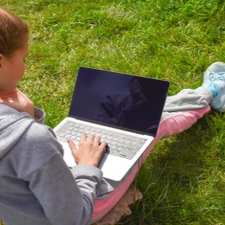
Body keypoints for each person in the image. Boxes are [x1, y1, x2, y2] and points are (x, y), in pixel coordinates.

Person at [0, 6, 225, 225]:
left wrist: (27, 118)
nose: (25, 68)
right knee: (153, 124)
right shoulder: (30, 139)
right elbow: (73, 217)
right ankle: (210, 93)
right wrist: (87, 167)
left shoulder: (24, 135)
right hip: (83, 207)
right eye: (24, 59)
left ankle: (191, 97)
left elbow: (20, 166)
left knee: (136, 114)